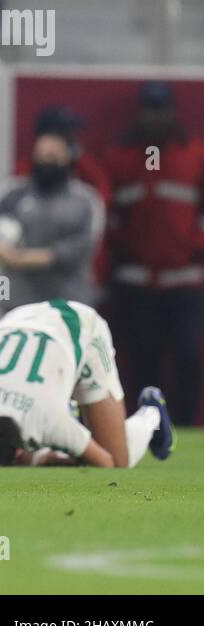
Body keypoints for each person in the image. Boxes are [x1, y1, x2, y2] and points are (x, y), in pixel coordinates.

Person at [0, 299, 175, 468]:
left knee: (120, 460)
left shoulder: (47, 420)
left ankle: (151, 415)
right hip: (22, 318)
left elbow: (104, 462)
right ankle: (70, 415)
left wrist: (57, 460)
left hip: (80, 326)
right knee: (62, 444)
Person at [102, 81, 204, 423]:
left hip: (184, 281)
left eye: (161, 110)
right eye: (149, 109)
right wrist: (120, 248)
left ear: (172, 113)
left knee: (188, 356)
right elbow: (108, 212)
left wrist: (194, 245)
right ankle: (146, 426)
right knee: (142, 359)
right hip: (137, 283)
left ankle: (188, 429)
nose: (154, 117)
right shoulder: (120, 158)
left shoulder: (194, 154)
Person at [0, 129, 104, 309]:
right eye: (41, 155)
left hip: (67, 303)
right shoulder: (15, 191)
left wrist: (24, 258)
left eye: (53, 155)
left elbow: (84, 244)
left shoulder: (86, 199)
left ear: (67, 158)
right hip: (18, 303)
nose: (46, 161)